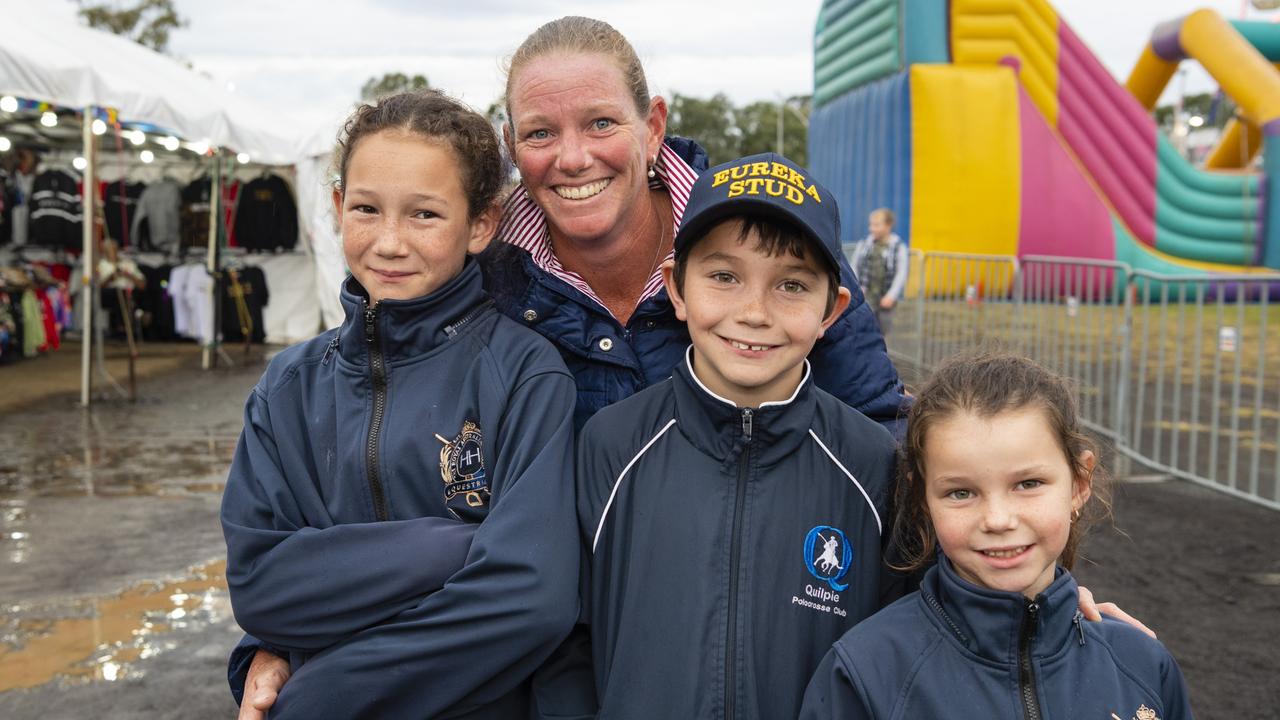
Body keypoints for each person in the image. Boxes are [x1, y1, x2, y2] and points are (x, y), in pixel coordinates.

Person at [220, 89, 579, 719]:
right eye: (366, 208)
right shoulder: (288, 389)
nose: (388, 242)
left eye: (424, 215)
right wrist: (460, 548)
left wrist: (319, 697)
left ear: (482, 225)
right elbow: (260, 588)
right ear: (337, 206)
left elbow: (531, 598)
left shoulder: (525, 374)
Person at [577, 152, 899, 720]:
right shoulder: (610, 445)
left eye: (792, 285)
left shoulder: (873, 464)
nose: (753, 312)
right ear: (676, 287)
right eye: (724, 276)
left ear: (832, 309)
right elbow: (567, 644)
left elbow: (919, 641)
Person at [799, 353, 1193, 720]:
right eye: (961, 492)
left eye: (1028, 483)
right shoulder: (866, 672)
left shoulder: (1142, 663)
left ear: (1079, 482)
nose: (998, 519)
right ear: (921, 498)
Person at [848, 208, 907, 335]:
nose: (872, 228)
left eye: (876, 225)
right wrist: (857, 287)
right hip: (865, 296)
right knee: (862, 329)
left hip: (885, 298)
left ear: (888, 225)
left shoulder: (898, 247)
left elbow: (901, 273)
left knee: (882, 331)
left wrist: (891, 296)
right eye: (871, 225)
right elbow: (854, 266)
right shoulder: (864, 245)